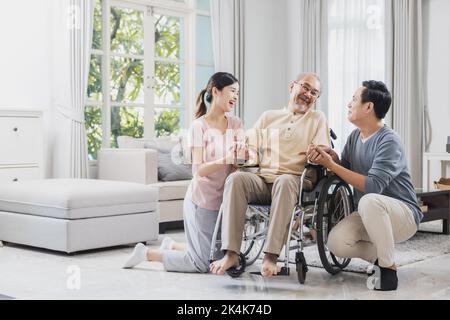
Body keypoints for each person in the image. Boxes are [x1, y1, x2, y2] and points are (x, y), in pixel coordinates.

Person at [210, 73, 331, 277]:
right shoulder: (268, 117)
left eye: (314, 93)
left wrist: (317, 153)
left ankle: (271, 256)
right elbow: (251, 149)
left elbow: (323, 149)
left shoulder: (317, 118)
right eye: (305, 88)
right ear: (292, 86)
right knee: (236, 179)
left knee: (284, 181)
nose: (308, 94)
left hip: (295, 180)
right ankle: (231, 253)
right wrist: (244, 152)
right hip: (264, 180)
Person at [122, 72, 245, 273]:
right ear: (216, 91)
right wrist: (227, 159)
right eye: (232, 91)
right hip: (202, 202)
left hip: (224, 200)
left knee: (222, 257)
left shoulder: (236, 123)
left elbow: (237, 162)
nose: (235, 97)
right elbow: (199, 170)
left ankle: (172, 245)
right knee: (202, 264)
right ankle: (147, 253)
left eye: (238, 93)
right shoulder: (199, 126)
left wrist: (241, 158)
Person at [306, 80, 423, 291]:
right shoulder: (354, 137)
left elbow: (372, 186)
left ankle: (387, 272)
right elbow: (346, 172)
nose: (348, 104)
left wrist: (332, 164)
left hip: (403, 214)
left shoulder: (389, 140)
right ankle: (384, 259)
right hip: (369, 211)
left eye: (353, 99)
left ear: (368, 107)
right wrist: (333, 159)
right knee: (336, 242)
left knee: (369, 200)